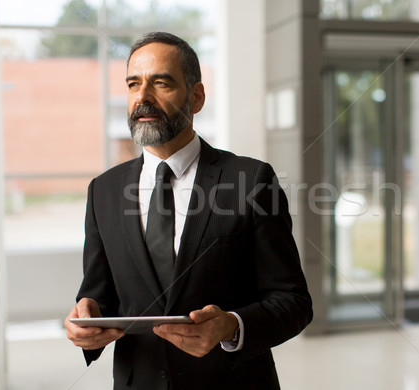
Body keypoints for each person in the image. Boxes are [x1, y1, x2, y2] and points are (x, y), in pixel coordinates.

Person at [64, 31, 313, 390]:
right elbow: (98, 296)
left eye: (161, 83)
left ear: (196, 97)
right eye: (133, 84)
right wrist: (85, 318)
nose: (143, 98)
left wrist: (232, 325)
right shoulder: (103, 190)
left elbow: (293, 303)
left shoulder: (251, 179)